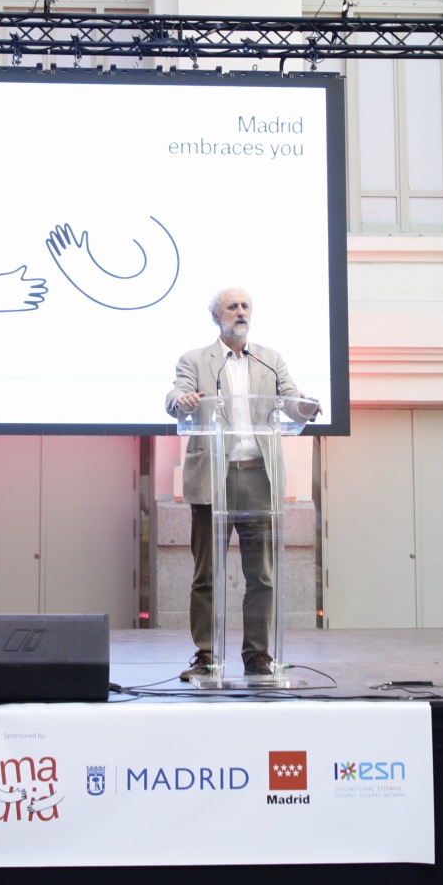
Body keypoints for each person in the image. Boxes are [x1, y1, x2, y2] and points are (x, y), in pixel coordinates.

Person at [166, 288, 316, 679]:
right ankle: (206, 656)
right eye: (232, 307)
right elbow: (176, 395)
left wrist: (305, 407)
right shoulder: (196, 359)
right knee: (206, 575)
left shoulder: (270, 359)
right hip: (211, 477)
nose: (240, 312)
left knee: (261, 575)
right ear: (216, 317)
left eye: (245, 306)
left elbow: (290, 399)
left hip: (258, 476)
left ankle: (257, 655)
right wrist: (182, 401)